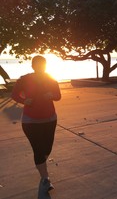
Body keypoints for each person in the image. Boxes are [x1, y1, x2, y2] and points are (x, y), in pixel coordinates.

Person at [11, 55, 61, 194]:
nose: (40, 68)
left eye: (42, 65)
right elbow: (14, 94)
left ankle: (41, 164)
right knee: (38, 149)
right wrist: (24, 101)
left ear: (45, 66)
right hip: (30, 121)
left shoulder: (51, 79)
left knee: (47, 149)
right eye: (37, 65)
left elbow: (58, 96)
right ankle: (45, 178)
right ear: (32, 66)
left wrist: (51, 95)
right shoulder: (24, 79)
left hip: (50, 119)